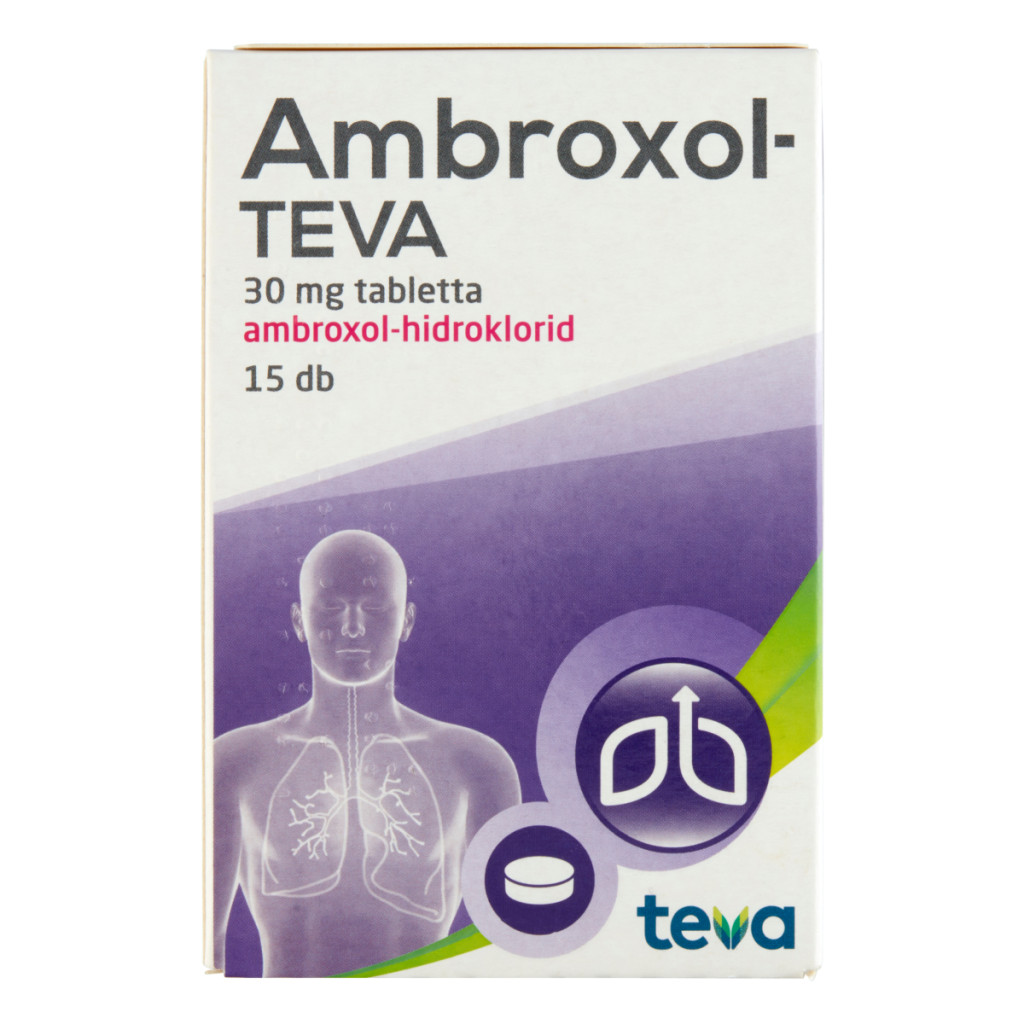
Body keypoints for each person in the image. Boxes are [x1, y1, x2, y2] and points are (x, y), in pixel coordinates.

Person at [213, 530, 521, 976]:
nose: (353, 628)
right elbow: (202, 948)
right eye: (330, 608)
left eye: (375, 609)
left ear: (407, 621)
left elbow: (505, 946)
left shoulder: (477, 765)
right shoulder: (234, 761)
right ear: (298, 621)